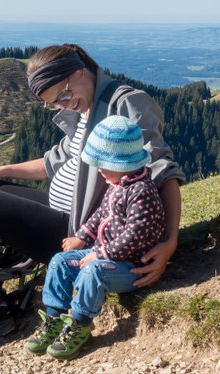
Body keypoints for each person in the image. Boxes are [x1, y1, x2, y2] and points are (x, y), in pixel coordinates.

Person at [0, 44, 185, 338]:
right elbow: (53, 163)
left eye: (63, 95)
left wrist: (170, 241)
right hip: (64, 214)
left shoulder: (126, 104)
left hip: (81, 234)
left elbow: (162, 170)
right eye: (54, 103)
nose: (64, 104)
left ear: (78, 71)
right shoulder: (86, 107)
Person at [25, 115, 166, 359]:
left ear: (121, 163)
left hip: (131, 266)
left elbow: (133, 237)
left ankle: (80, 323)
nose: (98, 169)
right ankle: (54, 318)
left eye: (102, 164)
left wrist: (97, 254)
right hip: (104, 254)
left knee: (94, 271)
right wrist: (81, 238)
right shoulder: (117, 185)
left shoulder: (141, 192)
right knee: (60, 260)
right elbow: (100, 214)